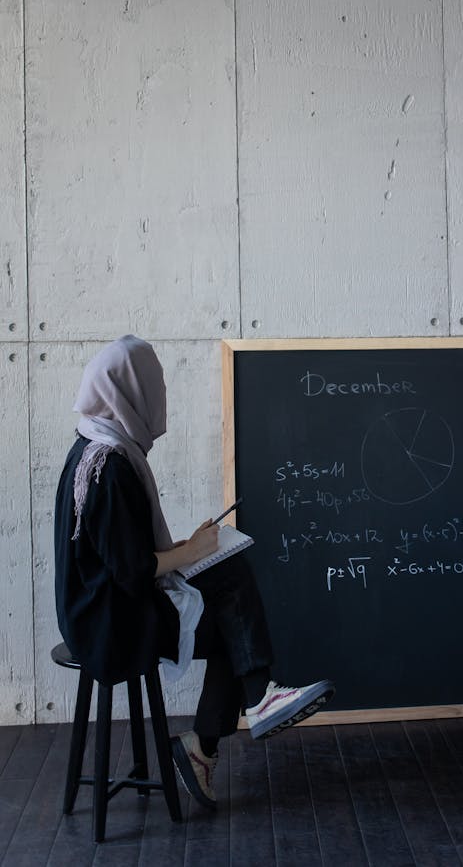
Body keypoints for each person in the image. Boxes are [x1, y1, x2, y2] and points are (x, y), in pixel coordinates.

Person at [54, 335, 334, 811]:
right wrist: (191, 553)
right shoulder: (111, 468)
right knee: (232, 607)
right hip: (110, 625)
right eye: (153, 386)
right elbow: (133, 569)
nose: (158, 398)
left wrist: (189, 548)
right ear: (129, 392)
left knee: (230, 594)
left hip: (98, 609)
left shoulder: (92, 445)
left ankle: (212, 741)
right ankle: (240, 713)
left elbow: (116, 555)